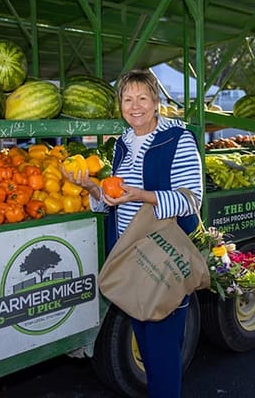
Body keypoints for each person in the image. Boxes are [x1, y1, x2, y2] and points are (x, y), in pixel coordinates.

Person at [62, 69, 203, 397]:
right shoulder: (123, 145)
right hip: (130, 259)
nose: (135, 105)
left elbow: (191, 199)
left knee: (164, 353)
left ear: (156, 102)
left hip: (162, 259)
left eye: (142, 98)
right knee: (146, 346)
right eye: (127, 99)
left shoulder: (177, 139)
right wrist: (91, 187)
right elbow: (113, 201)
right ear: (120, 105)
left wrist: (142, 196)